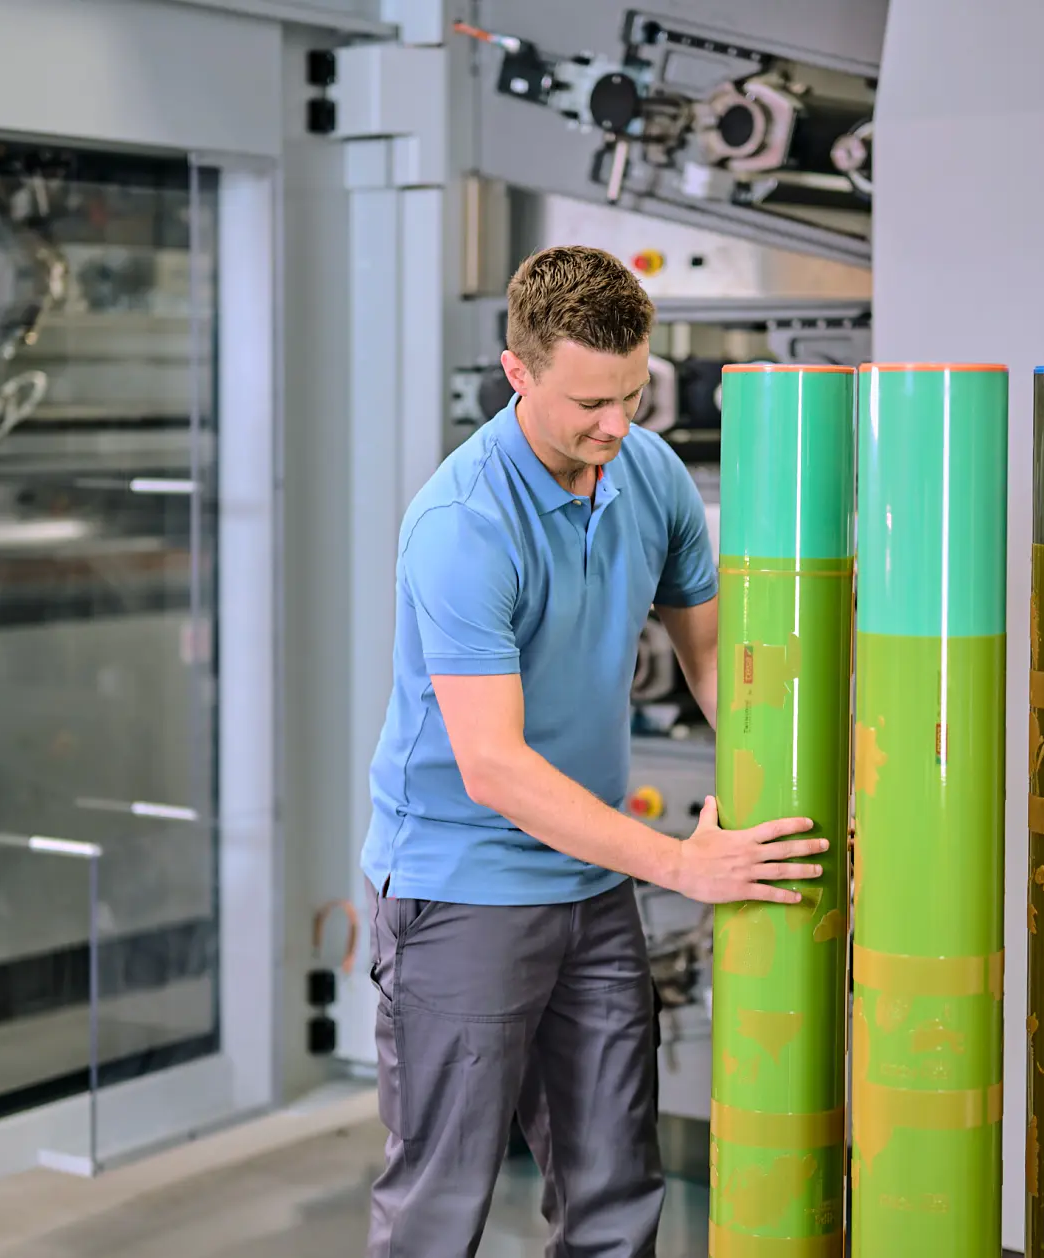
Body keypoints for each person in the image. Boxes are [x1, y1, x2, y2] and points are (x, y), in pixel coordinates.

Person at [360, 244, 827, 1256]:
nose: (615, 426)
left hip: (589, 883)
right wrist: (682, 864)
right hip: (461, 889)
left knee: (616, 1188)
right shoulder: (462, 524)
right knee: (440, 1202)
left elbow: (713, 664)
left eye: (633, 394)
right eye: (588, 404)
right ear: (516, 372)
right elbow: (493, 766)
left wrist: (787, 800)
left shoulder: (647, 471)